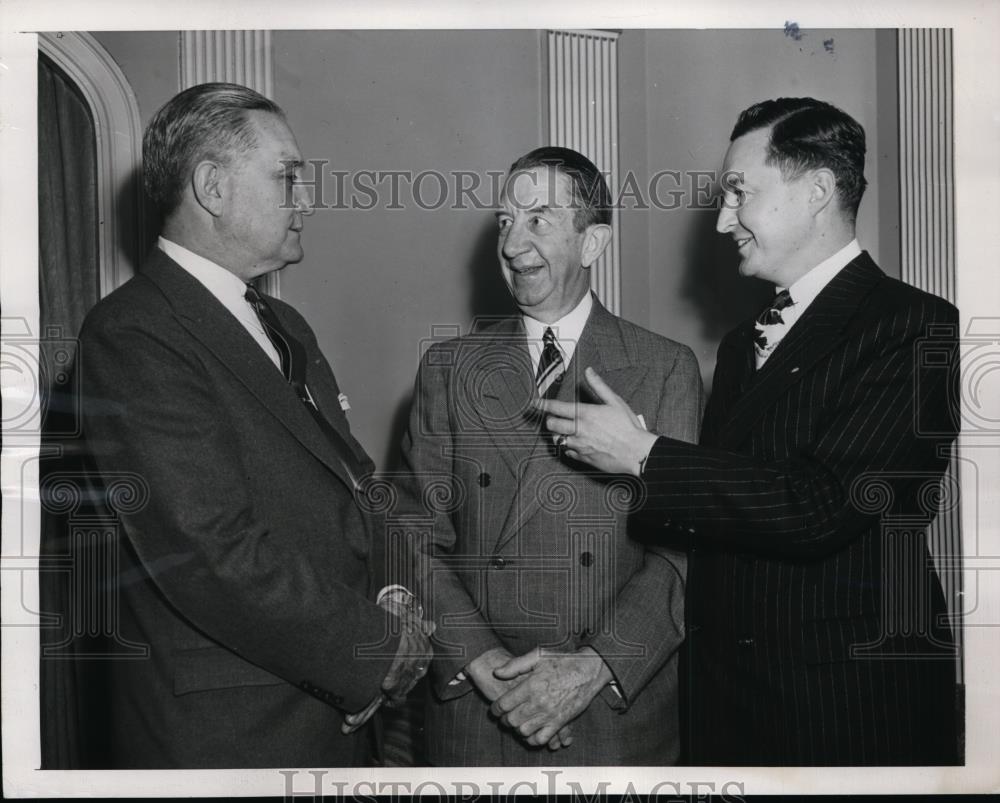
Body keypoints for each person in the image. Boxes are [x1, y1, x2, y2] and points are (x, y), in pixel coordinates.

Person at [538, 98, 960, 766]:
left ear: (817, 189)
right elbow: (734, 509)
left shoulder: (912, 326)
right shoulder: (741, 344)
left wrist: (644, 454)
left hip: (845, 708)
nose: (721, 219)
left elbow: (822, 506)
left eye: (739, 192)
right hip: (731, 707)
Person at [75, 82, 431, 768]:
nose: (306, 198)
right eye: (287, 175)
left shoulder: (283, 324)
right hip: (233, 734)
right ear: (212, 186)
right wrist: (379, 644)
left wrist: (390, 591)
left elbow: (350, 486)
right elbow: (209, 550)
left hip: (329, 717)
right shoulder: (134, 333)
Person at [398, 146, 703, 765]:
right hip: (481, 710)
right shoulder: (448, 368)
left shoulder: (666, 368)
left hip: (610, 710)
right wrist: (484, 663)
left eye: (538, 219)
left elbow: (682, 552)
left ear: (593, 244)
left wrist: (594, 668)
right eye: (504, 222)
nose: (511, 246)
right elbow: (412, 535)